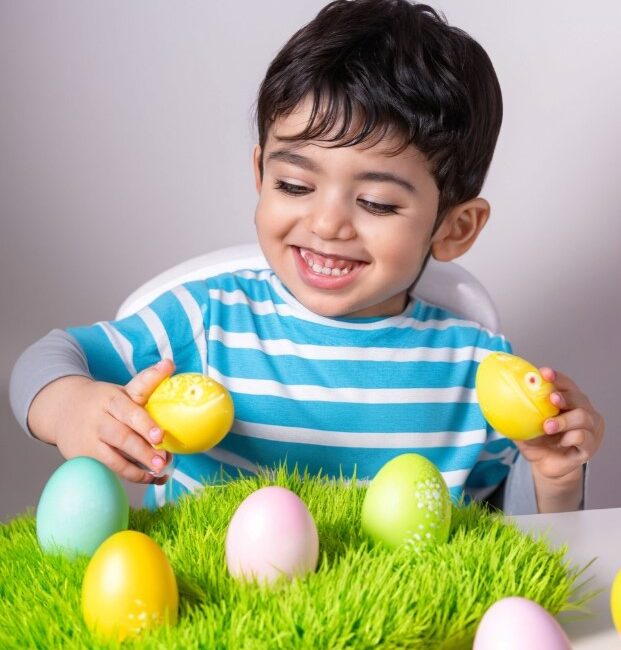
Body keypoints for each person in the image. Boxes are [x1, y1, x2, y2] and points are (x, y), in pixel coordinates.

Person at [10, 0, 604, 514]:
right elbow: (46, 357)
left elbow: (517, 538)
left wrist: (554, 474)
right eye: (294, 185)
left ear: (454, 227)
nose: (325, 224)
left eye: (375, 202)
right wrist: (70, 407)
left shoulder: (478, 372)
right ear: (260, 175)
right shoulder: (206, 322)